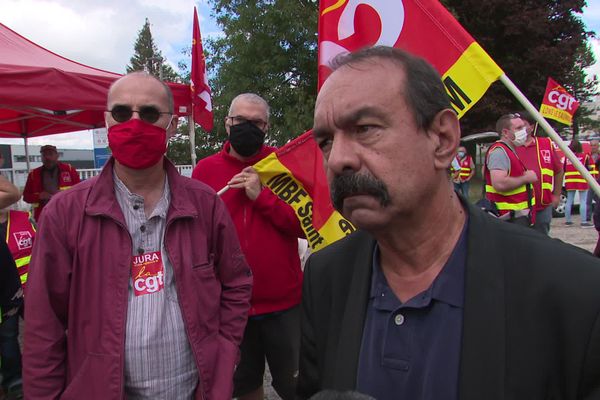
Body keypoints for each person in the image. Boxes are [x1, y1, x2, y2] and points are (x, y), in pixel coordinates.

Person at [297, 46, 600, 399]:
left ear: (442, 139)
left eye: (365, 128)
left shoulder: (574, 292)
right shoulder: (326, 277)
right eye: (326, 141)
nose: (338, 159)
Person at [23, 72, 253, 400]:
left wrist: (225, 353)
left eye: (148, 114)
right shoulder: (66, 213)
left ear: (172, 126)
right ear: (106, 121)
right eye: (120, 113)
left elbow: (236, 283)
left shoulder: (205, 205)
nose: (134, 123)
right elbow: (42, 325)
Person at [192, 93, 304, 400]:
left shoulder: (281, 166)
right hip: (231, 304)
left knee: (296, 385)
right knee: (245, 384)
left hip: (284, 302)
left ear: (266, 127)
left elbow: (303, 225)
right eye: (241, 120)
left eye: (256, 122)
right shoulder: (205, 170)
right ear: (227, 124)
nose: (248, 127)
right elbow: (197, 233)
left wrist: (262, 197)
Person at [0, 208, 35, 400]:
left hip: (32, 290)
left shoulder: (23, 218)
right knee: (8, 338)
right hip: (7, 295)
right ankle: (14, 383)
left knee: (44, 331)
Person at [484, 113, 538, 226]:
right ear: (505, 133)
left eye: (523, 127)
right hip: (508, 219)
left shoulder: (509, 150)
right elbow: (499, 184)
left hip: (516, 217)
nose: (524, 131)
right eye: (518, 128)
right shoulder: (499, 152)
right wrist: (526, 178)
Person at [514, 111, 564, 235]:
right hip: (518, 207)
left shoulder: (545, 144)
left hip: (543, 206)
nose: (519, 129)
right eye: (516, 126)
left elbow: (558, 171)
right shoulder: (509, 146)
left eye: (522, 125)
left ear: (531, 127)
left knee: (542, 243)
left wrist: (556, 195)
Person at [22, 144, 81, 222]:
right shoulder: (33, 174)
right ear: (41, 158)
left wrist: (65, 194)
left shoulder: (69, 170)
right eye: (44, 155)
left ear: (57, 156)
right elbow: (26, 197)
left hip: (67, 214)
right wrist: (39, 196)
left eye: (50, 154)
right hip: (43, 216)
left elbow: (81, 192)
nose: (47, 157)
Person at [564, 139, 592, 227]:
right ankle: (584, 222)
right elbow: (589, 168)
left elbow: (564, 168)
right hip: (581, 180)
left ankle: (568, 221)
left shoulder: (567, 157)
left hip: (569, 181)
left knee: (569, 201)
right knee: (583, 201)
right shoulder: (584, 156)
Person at [586, 139, 599, 221]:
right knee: (588, 201)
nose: (593, 147)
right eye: (592, 145)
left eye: (595, 145)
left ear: (598, 146)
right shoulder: (587, 156)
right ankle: (587, 218)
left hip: (599, 181)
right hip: (590, 181)